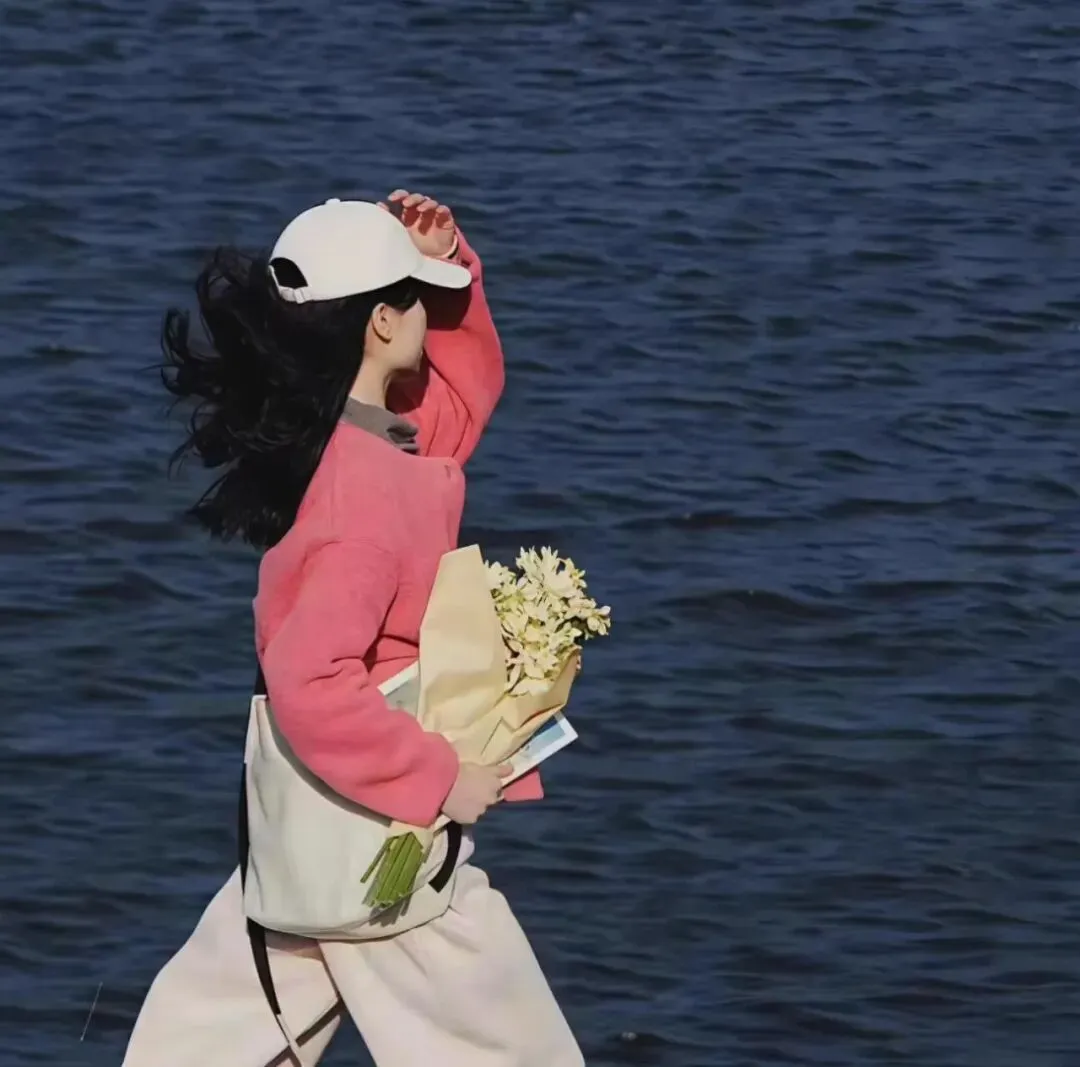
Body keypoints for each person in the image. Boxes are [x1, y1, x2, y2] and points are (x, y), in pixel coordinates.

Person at [121, 191, 583, 1067]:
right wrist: (438, 778)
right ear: (379, 323)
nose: (428, 315)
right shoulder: (363, 500)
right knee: (502, 1031)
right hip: (379, 822)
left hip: (314, 821)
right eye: (418, 300)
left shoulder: (352, 438)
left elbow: (462, 399)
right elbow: (311, 680)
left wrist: (439, 271)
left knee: (224, 1014)